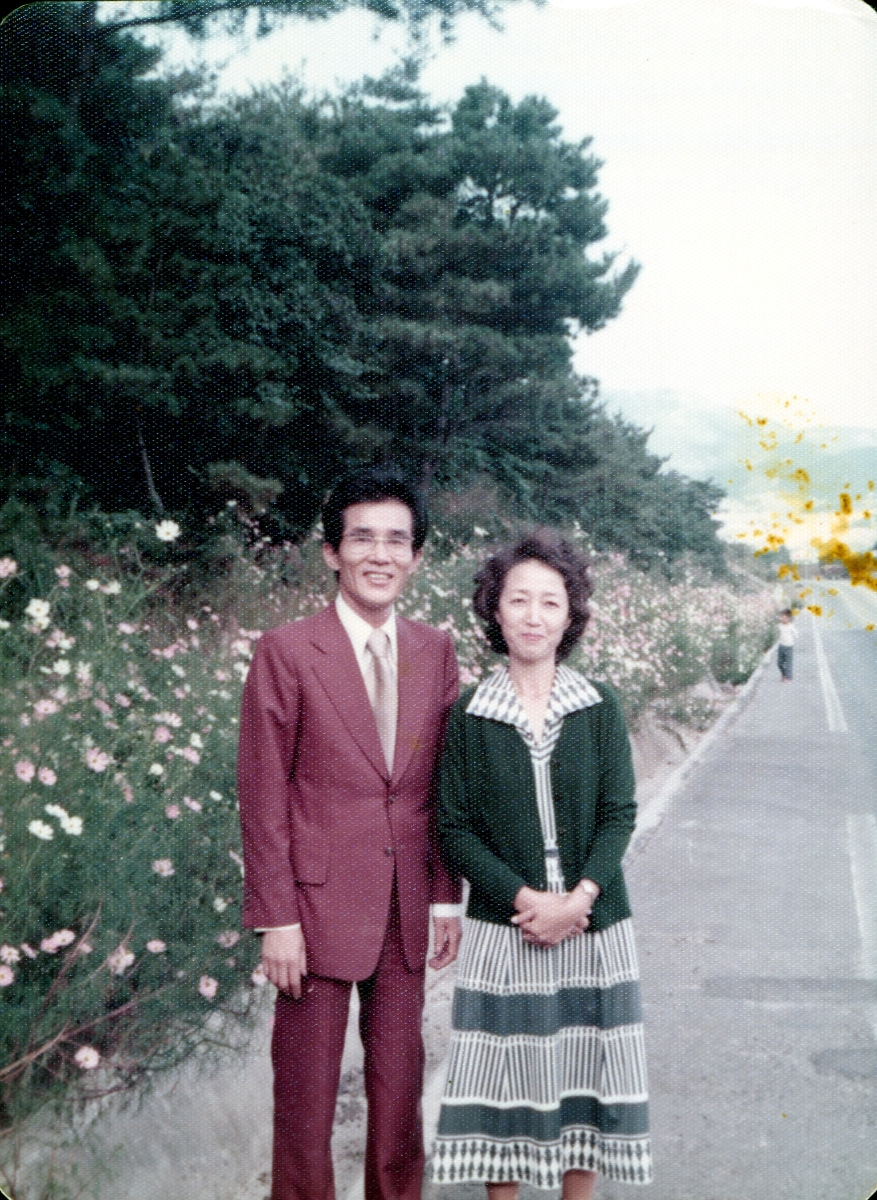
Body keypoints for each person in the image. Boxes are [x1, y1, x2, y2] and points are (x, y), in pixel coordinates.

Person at [237, 466, 463, 1200]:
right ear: (331, 552)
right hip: (312, 912)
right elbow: (262, 794)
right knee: (304, 1101)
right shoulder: (286, 649)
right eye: (362, 538)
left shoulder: (435, 650)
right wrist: (276, 918)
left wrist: (444, 897)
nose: (380, 554)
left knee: (399, 1095)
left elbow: (441, 789)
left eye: (397, 540)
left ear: (416, 557)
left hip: (404, 907)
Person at [431, 532, 652, 1199]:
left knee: (586, 1078)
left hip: (594, 926)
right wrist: (526, 900)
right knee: (503, 1090)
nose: (533, 615)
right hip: (506, 928)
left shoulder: (598, 705)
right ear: (494, 611)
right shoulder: (469, 714)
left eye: (550, 602)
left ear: (570, 615)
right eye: (518, 599)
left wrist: (578, 899)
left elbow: (618, 813)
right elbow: (453, 827)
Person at [777, 607, 796, 682]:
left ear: (789, 618)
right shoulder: (779, 626)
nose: (782, 619)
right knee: (780, 663)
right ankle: (784, 674)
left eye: (784, 617)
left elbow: (796, 634)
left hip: (789, 646)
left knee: (788, 663)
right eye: (781, 617)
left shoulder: (791, 626)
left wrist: (792, 639)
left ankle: (788, 678)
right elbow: (778, 633)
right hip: (781, 646)